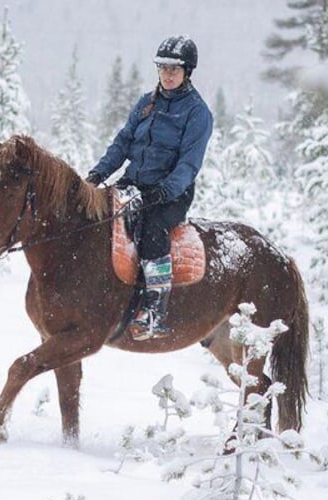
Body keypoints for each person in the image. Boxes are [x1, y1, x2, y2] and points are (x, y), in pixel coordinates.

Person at [85, 35, 214, 340]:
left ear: (187, 72)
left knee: (152, 227)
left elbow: (188, 164)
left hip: (172, 193)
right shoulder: (147, 103)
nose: (168, 74)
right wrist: (97, 175)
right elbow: (123, 143)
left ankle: (155, 308)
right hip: (135, 183)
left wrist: (163, 192)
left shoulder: (197, 113)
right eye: (163, 68)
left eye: (174, 68)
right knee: (100, 215)